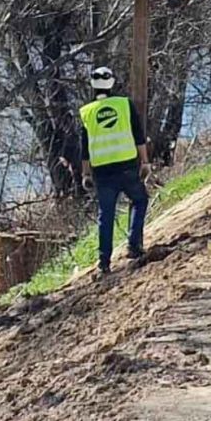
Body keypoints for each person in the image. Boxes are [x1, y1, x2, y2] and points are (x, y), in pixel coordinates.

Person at [79, 66, 150, 278]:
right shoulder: (124, 105)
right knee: (140, 200)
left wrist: (86, 174)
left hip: (102, 172)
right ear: (112, 83)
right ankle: (134, 246)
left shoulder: (86, 112)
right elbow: (138, 135)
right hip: (127, 166)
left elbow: (84, 147)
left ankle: (103, 263)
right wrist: (145, 162)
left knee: (106, 215)